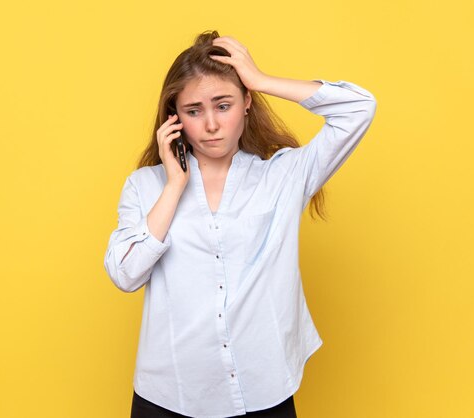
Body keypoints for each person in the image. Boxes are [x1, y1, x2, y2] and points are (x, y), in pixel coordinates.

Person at [104, 30, 377, 418]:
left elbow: (359, 107)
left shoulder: (282, 176)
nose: (211, 124)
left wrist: (261, 79)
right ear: (174, 117)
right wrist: (175, 184)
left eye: (224, 104)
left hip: (262, 389)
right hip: (170, 395)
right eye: (194, 110)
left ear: (247, 103)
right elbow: (126, 274)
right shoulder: (146, 186)